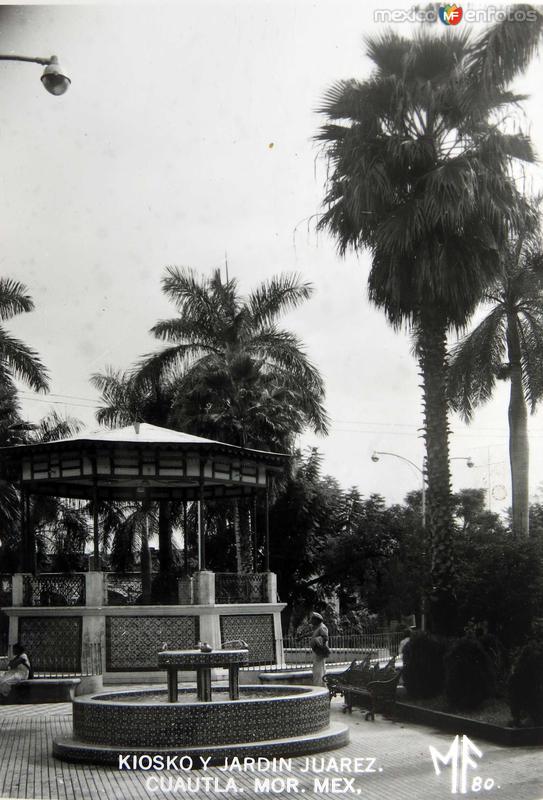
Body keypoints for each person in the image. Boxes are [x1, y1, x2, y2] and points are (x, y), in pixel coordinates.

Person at [309, 612, 329, 686]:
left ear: (317, 620)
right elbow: (313, 633)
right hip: (318, 651)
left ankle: (319, 684)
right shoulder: (318, 627)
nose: (312, 622)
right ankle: (322, 684)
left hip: (320, 651)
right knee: (319, 668)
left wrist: (317, 643)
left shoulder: (322, 627)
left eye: (313, 620)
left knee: (318, 669)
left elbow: (325, 638)